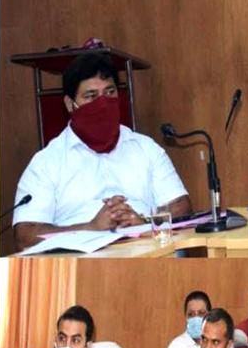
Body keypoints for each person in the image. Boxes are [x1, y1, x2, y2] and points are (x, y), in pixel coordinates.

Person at [12, 52, 191, 252]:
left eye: (110, 92)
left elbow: (181, 206)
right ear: (70, 104)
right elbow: (25, 235)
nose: (103, 103)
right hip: (81, 261)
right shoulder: (46, 162)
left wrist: (145, 223)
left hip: (147, 252)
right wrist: (91, 227)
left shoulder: (146, 148)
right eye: (91, 96)